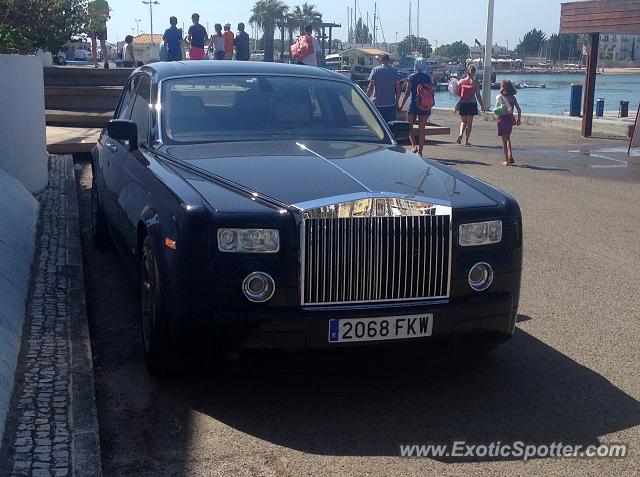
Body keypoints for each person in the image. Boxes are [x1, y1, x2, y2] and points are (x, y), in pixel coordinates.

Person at [398, 57, 433, 156]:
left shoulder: (412, 77)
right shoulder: (427, 77)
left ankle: (414, 146)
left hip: (414, 103)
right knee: (422, 130)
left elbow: (407, 93)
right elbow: (430, 91)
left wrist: (401, 106)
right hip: (425, 104)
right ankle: (420, 152)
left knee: (408, 127)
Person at [366, 53, 401, 123]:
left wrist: (366, 99)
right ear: (388, 61)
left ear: (380, 60)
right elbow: (398, 89)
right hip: (391, 104)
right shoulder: (394, 71)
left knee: (378, 125)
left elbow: (370, 86)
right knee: (390, 126)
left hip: (377, 104)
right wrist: (397, 101)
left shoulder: (375, 70)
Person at [456, 64, 485, 146]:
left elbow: (458, 93)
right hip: (472, 103)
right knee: (469, 123)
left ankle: (461, 134)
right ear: (474, 72)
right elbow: (478, 96)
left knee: (463, 121)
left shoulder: (462, 81)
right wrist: (482, 105)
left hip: (463, 103)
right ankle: (466, 140)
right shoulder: (475, 83)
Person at [495, 80, 522, 165]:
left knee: (504, 140)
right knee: (508, 138)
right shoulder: (512, 97)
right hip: (510, 119)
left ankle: (506, 160)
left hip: (502, 119)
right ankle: (510, 154)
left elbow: (496, 110)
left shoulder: (500, 97)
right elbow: (519, 109)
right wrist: (518, 119)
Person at [87, 0, 111, 69]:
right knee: (103, 44)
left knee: (94, 45)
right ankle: (106, 62)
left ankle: (95, 63)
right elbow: (107, 14)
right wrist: (102, 15)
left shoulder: (91, 3)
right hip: (102, 25)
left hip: (93, 25)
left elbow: (89, 15)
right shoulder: (105, 2)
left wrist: (95, 14)